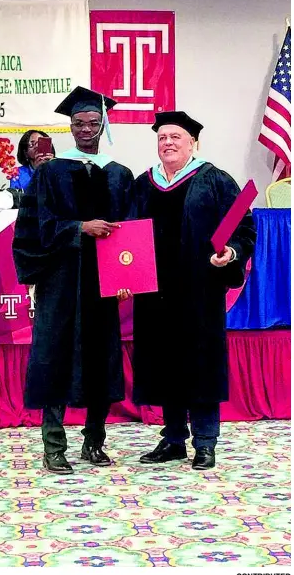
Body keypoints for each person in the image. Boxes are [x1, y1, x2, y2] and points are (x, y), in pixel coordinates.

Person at [119, 111, 256, 470]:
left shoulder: (215, 180)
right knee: (164, 362)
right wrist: (124, 276)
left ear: (193, 142)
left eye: (175, 137)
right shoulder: (144, 183)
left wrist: (231, 253)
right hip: (155, 292)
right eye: (162, 137)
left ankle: (206, 442)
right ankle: (174, 438)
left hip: (199, 291)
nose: (168, 143)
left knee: (201, 363)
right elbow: (126, 237)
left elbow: (243, 226)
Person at [13, 86, 134, 475]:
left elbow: (131, 232)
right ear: (70, 125)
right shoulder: (50, 173)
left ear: (104, 125)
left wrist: (129, 275)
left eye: (93, 123)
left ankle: (94, 441)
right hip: (62, 283)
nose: (85, 129)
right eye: (79, 123)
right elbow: (32, 228)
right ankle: (53, 446)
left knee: (100, 358)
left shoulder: (119, 174)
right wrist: (79, 227)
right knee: (55, 357)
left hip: (104, 282)